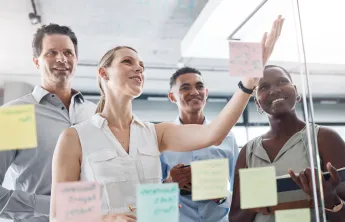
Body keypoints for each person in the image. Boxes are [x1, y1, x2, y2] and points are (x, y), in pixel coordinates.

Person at [50, 16, 284, 222]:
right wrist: (104, 219)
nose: (138, 69)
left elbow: (214, 134)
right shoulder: (76, 138)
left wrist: (248, 83)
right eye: (128, 62)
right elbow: (60, 217)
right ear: (103, 73)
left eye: (141, 65)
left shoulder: (156, 133)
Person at [0, 24, 96, 222]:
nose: (61, 58)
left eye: (68, 52)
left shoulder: (95, 113)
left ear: (76, 60)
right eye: (51, 53)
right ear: (36, 62)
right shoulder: (14, 115)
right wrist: (53, 206)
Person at [229, 65, 345, 222]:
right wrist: (255, 202)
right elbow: (235, 218)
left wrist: (329, 198)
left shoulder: (324, 138)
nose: (275, 90)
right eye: (264, 87)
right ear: (257, 104)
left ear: (296, 92)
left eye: (282, 81)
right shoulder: (248, 151)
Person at [160, 66, 239, 222]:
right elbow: (149, 195)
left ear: (206, 93)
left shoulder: (227, 137)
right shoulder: (163, 139)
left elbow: (240, 190)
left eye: (199, 86)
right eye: (185, 88)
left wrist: (221, 196)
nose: (195, 92)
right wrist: (169, 183)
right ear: (172, 97)